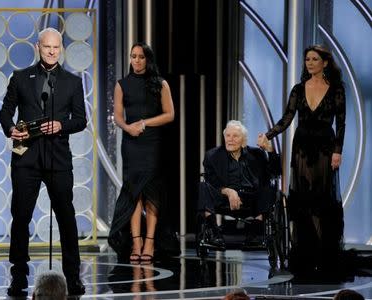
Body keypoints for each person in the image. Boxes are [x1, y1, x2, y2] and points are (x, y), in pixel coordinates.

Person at [0, 27, 86, 296]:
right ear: (38, 47)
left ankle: (72, 277)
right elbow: (5, 112)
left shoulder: (72, 81)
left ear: (61, 49)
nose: (51, 51)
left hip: (58, 157)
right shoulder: (21, 78)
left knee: (66, 217)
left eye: (56, 48)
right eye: (47, 47)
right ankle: (19, 278)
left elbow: (81, 120)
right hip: (26, 156)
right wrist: (11, 129)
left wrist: (61, 125)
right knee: (21, 217)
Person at [258, 45, 346, 275]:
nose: (309, 63)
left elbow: (341, 123)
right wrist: (268, 134)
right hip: (302, 148)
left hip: (326, 149)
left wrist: (338, 150)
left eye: (314, 59)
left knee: (323, 200)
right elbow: (287, 118)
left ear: (325, 63)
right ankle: (305, 255)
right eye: (307, 59)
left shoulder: (336, 89)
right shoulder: (298, 89)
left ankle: (325, 255)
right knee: (304, 200)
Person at [108, 42, 178, 263]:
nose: (136, 61)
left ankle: (150, 242)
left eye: (141, 57)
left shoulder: (161, 84)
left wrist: (144, 123)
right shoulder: (122, 85)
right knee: (133, 193)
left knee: (152, 193)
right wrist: (128, 127)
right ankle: (136, 242)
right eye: (133, 56)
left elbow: (170, 114)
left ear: (148, 59)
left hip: (153, 144)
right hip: (131, 144)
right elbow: (118, 115)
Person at [197, 120, 281, 249]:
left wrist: (269, 150)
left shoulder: (256, 154)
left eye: (235, 136)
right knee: (203, 187)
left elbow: (275, 173)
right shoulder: (212, 156)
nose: (230, 139)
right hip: (224, 199)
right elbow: (211, 181)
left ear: (244, 140)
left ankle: (255, 233)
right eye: (228, 135)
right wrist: (229, 192)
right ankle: (214, 233)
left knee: (269, 187)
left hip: (251, 199)